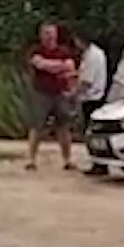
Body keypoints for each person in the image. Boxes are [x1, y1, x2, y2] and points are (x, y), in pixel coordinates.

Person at [23, 22, 80, 171]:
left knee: (64, 127)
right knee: (37, 126)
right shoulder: (36, 50)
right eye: (46, 33)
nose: (49, 36)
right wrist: (59, 66)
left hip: (60, 93)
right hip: (41, 93)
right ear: (41, 35)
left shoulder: (64, 50)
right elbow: (39, 64)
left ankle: (67, 160)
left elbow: (70, 67)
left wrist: (52, 66)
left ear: (56, 34)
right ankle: (31, 160)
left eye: (52, 33)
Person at [74, 31, 111, 176]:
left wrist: (73, 94)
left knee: (91, 133)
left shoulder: (92, 56)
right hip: (95, 97)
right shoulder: (95, 53)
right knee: (94, 132)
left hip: (92, 99)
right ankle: (99, 162)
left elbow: (86, 81)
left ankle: (99, 164)